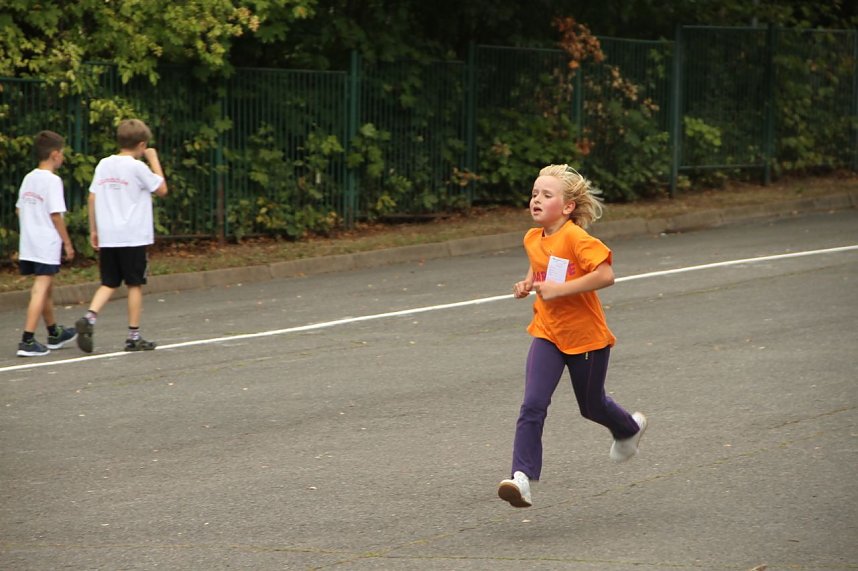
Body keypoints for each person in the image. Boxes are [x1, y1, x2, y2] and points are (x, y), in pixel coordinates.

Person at [497, 164, 647, 508]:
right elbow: (541, 268)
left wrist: (561, 289)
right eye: (535, 193)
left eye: (546, 195)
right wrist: (528, 284)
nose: (536, 199)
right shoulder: (533, 238)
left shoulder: (577, 238)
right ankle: (521, 479)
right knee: (532, 404)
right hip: (548, 334)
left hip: (586, 340)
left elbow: (606, 275)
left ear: (567, 207)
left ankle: (627, 429)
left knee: (591, 405)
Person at [75, 119, 168, 353]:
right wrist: (154, 160)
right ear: (142, 144)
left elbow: (92, 197)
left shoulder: (104, 164)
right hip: (132, 235)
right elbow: (162, 189)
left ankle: (89, 318)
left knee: (109, 282)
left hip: (109, 234)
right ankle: (133, 335)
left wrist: (94, 229)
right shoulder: (137, 167)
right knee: (134, 284)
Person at [15, 131, 78, 357]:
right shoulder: (52, 181)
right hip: (45, 242)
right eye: (61, 154)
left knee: (46, 288)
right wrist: (67, 243)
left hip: (29, 243)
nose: (62, 157)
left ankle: (54, 332)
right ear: (54, 155)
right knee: (40, 288)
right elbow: (55, 216)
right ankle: (27, 340)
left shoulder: (29, 178)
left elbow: (19, 208)